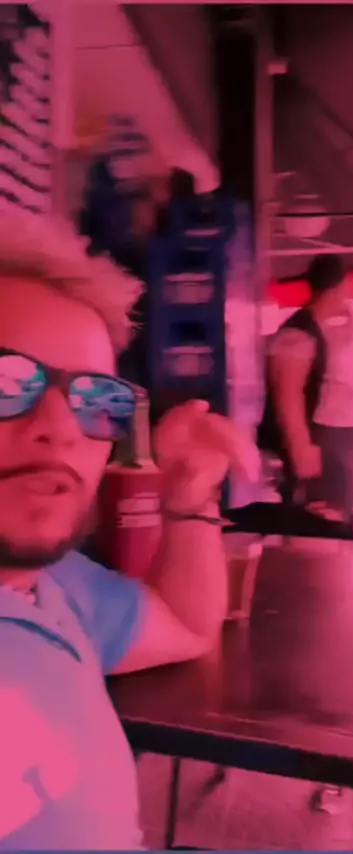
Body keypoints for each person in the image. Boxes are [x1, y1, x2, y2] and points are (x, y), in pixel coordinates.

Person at [0, 212, 258, 849]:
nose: (62, 428)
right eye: (7, 382)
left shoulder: (56, 587)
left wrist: (188, 496)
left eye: (96, 400)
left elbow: (187, 626)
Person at [257, 255, 353, 517]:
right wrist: (300, 446)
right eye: (349, 283)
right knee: (318, 518)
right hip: (311, 444)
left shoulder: (313, 328)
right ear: (339, 286)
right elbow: (287, 395)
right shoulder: (297, 335)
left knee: (330, 515)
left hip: (324, 443)